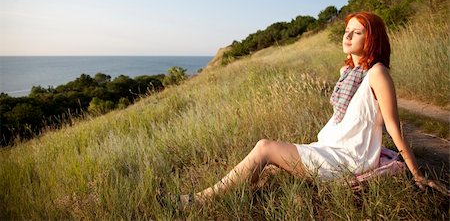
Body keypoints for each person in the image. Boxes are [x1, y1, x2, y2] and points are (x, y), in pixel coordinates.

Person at [170, 11, 445, 208]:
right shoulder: (347, 71)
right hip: (330, 148)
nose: (347, 35)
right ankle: (234, 200)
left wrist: (417, 173)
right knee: (268, 168)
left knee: (265, 147)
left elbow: (393, 127)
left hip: (349, 157)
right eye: (346, 30)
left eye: (357, 32)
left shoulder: (378, 73)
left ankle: (199, 201)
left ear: (371, 39)